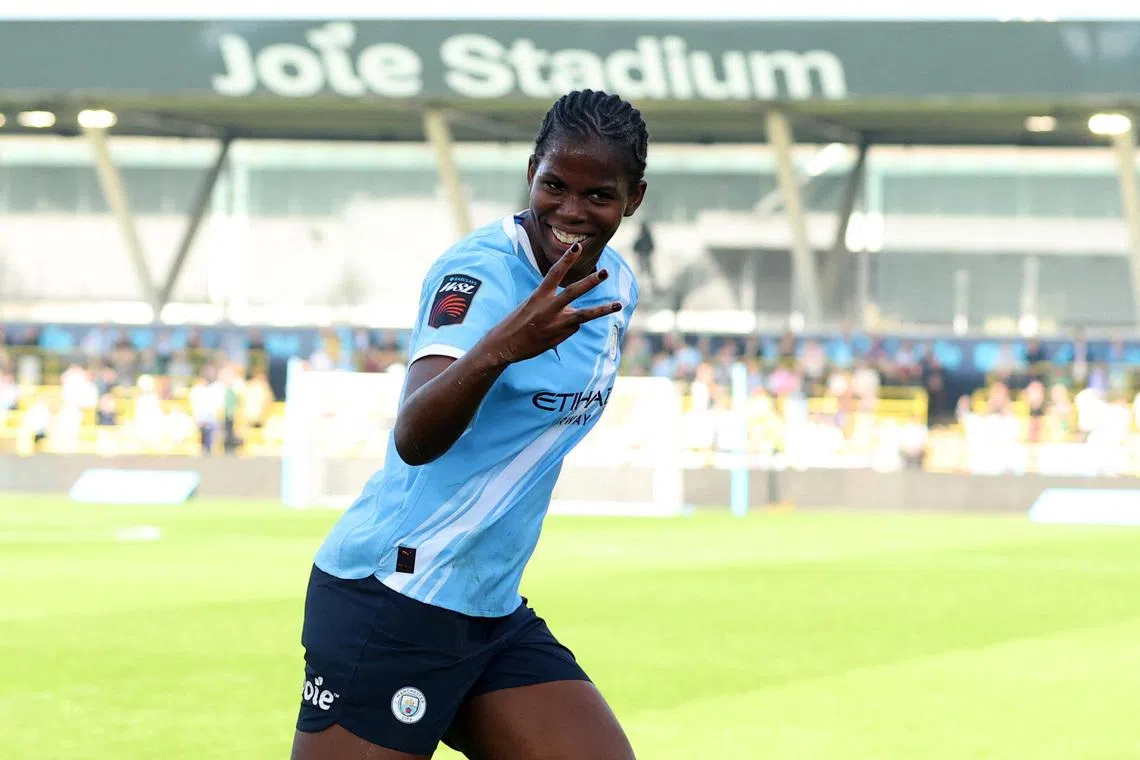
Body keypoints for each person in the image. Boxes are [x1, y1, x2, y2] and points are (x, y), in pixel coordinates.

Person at [291, 89, 649, 760]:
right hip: (394, 596)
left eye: (598, 195)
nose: (570, 211)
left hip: (486, 608)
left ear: (633, 199)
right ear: (532, 174)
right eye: (554, 186)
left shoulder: (616, 289)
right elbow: (415, 436)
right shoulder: (480, 275)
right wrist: (502, 347)